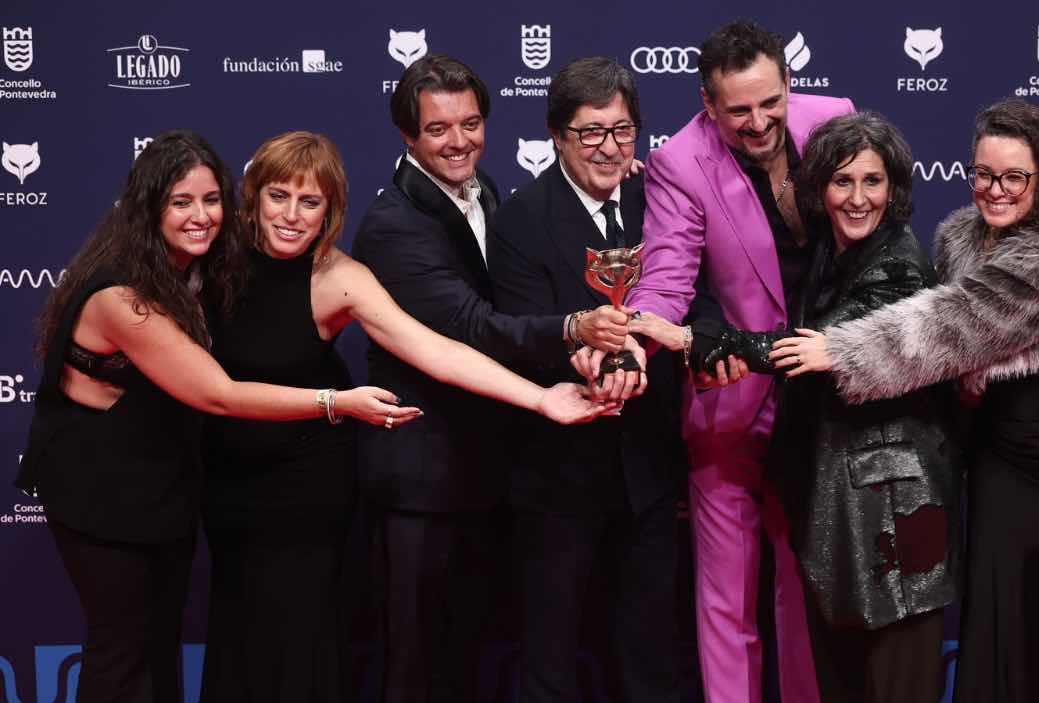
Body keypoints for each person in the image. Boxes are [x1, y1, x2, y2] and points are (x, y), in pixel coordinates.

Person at [767, 99, 1039, 702]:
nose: (995, 190)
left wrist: (843, 351)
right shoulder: (959, 238)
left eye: (1014, 177)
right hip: (1003, 451)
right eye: (982, 174)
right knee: (1001, 613)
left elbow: (953, 326)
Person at [198, 131, 613, 703]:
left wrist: (541, 398)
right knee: (234, 633)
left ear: (331, 212)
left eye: (310, 202)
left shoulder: (339, 277)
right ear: (253, 197)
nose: (292, 216)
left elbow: (437, 350)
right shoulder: (212, 264)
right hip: (225, 485)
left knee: (302, 639)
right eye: (278, 197)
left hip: (304, 490)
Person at [14, 130, 420, 703]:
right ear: (149, 207)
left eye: (210, 200)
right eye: (181, 202)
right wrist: (336, 401)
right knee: (122, 657)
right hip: (100, 498)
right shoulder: (124, 293)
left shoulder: (189, 271)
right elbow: (219, 395)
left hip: (164, 495)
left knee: (155, 654)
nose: (201, 216)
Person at [633, 112, 962, 702]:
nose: (859, 199)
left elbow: (809, 350)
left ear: (895, 188)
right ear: (819, 190)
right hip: (851, 510)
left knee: (896, 684)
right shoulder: (833, 256)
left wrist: (691, 339)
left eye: (873, 182)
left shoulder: (896, 264)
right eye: (843, 182)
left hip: (898, 515)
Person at [353, 54, 630, 703]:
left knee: (466, 660)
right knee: (414, 669)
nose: (459, 141)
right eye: (439, 129)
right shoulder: (394, 225)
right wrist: (573, 328)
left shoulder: (489, 192)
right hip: (421, 477)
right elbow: (474, 324)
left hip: (485, 474)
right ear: (407, 137)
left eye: (471, 123)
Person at [623, 20, 853, 702]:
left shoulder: (836, 121)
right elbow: (667, 272)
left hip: (823, 392)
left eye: (769, 102)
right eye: (738, 110)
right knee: (726, 600)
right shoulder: (681, 163)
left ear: (789, 84)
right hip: (730, 398)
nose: (758, 123)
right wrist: (640, 330)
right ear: (706, 102)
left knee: (802, 588)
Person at [486, 57, 684, 702]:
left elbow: (691, 293)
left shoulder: (661, 200)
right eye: (590, 133)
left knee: (650, 644)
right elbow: (517, 327)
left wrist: (645, 355)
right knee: (552, 646)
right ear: (556, 136)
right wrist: (579, 355)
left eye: (622, 131)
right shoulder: (520, 218)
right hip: (558, 469)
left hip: (648, 464)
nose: (609, 148)